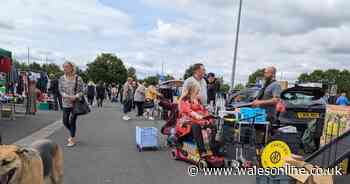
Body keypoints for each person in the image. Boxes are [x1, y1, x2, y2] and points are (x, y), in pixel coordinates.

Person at [177, 80, 211, 157]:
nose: (198, 93)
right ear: (191, 90)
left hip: (198, 121)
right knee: (195, 126)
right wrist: (196, 115)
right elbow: (188, 111)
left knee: (212, 125)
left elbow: (204, 110)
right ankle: (202, 151)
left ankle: (212, 148)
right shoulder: (184, 100)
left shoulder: (198, 100)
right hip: (186, 123)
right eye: (197, 91)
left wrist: (208, 117)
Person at [59, 61, 84, 147]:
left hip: (75, 103)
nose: (64, 69)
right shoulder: (62, 78)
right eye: (64, 67)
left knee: (72, 121)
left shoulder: (78, 78)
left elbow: (83, 90)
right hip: (66, 102)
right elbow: (60, 90)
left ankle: (72, 139)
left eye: (66, 67)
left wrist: (76, 96)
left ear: (71, 68)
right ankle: (72, 132)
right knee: (65, 121)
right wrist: (65, 95)